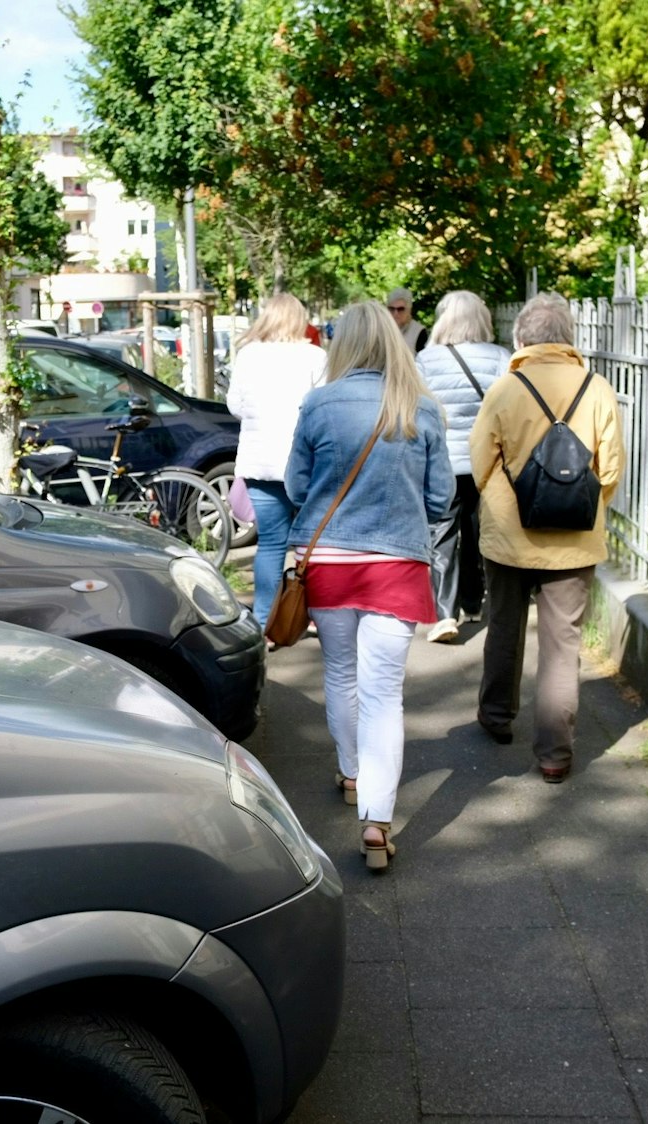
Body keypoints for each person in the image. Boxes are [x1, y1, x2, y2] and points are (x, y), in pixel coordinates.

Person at [285, 300, 451, 869]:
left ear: (343, 345)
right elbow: (440, 499)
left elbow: (295, 485)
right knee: (385, 694)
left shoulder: (318, 403)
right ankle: (377, 821)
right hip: (396, 564)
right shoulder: (421, 408)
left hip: (328, 561)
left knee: (340, 673)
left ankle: (352, 772)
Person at [469, 293, 623, 783]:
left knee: (505, 627)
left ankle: (496, 717)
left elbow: (479, 465)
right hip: (573, 541)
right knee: (562, 645)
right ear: (570, 337)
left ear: (522, 338)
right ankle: (555, 755)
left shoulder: (505, 388)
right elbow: (612, 467)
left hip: (509, 534)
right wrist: (583, 504)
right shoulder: (597, 388)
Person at [415, 290, 512, 643]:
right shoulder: (501, 357)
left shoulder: (426, 360)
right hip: (485, 463)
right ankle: (473, 601)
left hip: (442, 462)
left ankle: (445, 613)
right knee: (477, 531)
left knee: (442, 533)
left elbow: (418, 410)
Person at [225, 293, 328, 624]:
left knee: (270, 543)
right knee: (312, 542)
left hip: (260, 462)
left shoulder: (249, 355)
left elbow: (235, 406)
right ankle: (308, 614)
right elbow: (323, 409)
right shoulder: (315, 356)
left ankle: (264, 619)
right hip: (305, 464)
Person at [387, 288, 427, 353]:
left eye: (400, 309)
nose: (395, 313)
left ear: (409, 310)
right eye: (392, 309)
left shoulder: (419, 332)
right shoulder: (382, 330)